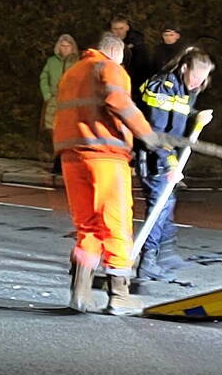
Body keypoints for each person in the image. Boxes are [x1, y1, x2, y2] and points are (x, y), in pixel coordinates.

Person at [54, 34, 188, 315]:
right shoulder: (109, 67)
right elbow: (119, 102)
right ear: (117, 54)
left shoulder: (72, 73)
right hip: (104, 155)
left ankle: (79, 295)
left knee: (87, 226)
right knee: (115, 224)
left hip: (71, 155)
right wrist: (148, 136)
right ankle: (119, 295)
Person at [135, 47, 215, 282]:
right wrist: (170, 164)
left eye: (203, 78)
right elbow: (156, 132)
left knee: (166, 202)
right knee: (160, 203)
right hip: (151, 154)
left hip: (164, 154)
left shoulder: (186, 88)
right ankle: (148, 260)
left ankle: (161, 254)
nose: (198, 83)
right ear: (183, 68)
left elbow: (179, 116)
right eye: (195, 77)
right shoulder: (163, 87)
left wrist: (196, 116)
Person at [39, 34, 79, 167]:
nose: (65, 48)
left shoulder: (77, 62)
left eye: (68, 46)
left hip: (71, 100)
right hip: (54, 100)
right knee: (52, 129)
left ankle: (65, 158)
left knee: (69, 129)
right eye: (63, 46)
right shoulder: (51, 61)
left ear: (72, 47)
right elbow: (44, 78)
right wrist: (47, 95)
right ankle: (57, 157)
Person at [108, 15, 152, 91]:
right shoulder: (108, 43)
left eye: (121, 28)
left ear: (127, 28)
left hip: (135, 85)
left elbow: (142, 68)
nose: (118, 32)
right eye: (115, 29)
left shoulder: (138, 44)